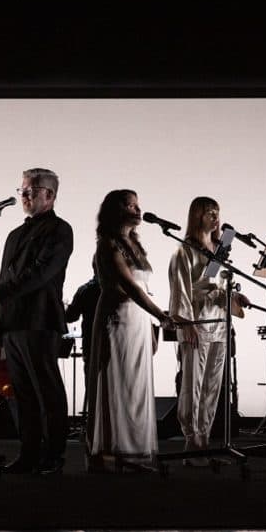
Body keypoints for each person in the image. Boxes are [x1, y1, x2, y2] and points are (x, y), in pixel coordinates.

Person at [0, 168, 73, 475]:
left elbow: (42, 272)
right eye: (22, 190)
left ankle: (54, 456)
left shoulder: (60, 230)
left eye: (31, 191)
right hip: (14, 324)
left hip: (40, 320)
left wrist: (2, 293)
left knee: (47, 392)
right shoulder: (14, 234)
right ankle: (29, 453)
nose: (24, 196)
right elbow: (4, 279)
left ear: (49, 195)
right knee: (22, 394)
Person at [86, 189, 174, 471]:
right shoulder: (107, 245)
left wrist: (151, 326)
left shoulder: (135, 244)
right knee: (120, 383)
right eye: (130, 205)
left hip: (139, 321)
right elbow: (130, 287)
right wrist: (160, 315)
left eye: (138, 205)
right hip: (117, 319)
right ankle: (115, 451)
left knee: (137, 385)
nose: (137, 210)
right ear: (114, 211)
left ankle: (134, 451)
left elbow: (143, 287)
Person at [168, 196, 249, 465]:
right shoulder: (185, 251)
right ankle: (192, 441)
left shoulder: (220, 251)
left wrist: (236, 299)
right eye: (208, 212)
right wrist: (186, 323)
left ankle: (204, 439)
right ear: (197, 217)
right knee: (193, 384)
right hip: (197, 325)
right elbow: (180, 289)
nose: (215, 217)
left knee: (213, 386)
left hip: (220, 324)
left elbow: (223, 286)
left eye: (217, 212)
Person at [64, 266, 100, 406]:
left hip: (91, 344)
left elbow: (70, 316)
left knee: (92, 386)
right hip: (114, 345)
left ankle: (93, 422)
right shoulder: (117, 288)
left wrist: (64, 306)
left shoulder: (85, 290)